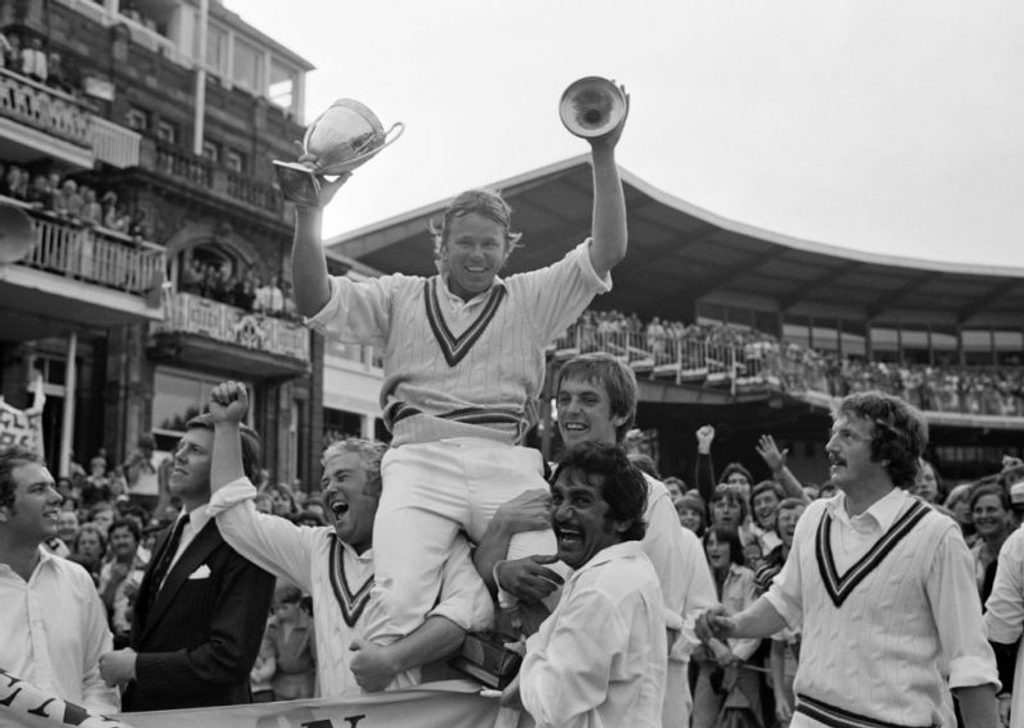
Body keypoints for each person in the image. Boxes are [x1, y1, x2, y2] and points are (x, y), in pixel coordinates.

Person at [289, 91, 630, 650]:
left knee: (551, 589)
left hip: (505, 462)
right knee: (396, 606)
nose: (477, 255)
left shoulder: (528, 297)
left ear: (507, 248)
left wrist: (602, 150)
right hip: (418, 464)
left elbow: (608, 250)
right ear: (440, 247)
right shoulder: (400, 295)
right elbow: (314, 299)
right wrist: (309, 213)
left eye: (490, 244)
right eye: (464, 243)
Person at [697, 391, 999, 728]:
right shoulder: (813, 517)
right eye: (833, 434)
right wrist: (736, 625)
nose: (830, 447)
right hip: (809, 717)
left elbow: (970, 660)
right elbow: (785, 600)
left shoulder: (937, 535)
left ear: (886, 452)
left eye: (848, 435)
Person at [203, 380, 493, 694]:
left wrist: (392, 660)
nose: (328, 489)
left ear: (382, 487)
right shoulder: (317, 548)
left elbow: (472, 610)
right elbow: (236, 522)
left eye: (342, 477)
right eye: (325, 481)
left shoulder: (434, 540)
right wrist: (227, 427)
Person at [485, 352, 716, 728]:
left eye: (588, 400)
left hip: (602, 707)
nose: (572, 411)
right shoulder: (538, 486)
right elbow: (484, 578)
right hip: (537, 699)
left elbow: (664, 631)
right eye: (564, 400)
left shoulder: (649, 498)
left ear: (620, 414)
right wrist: (502, 566)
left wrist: (547, 662)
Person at [98, 414, 275, 711]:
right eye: (180, 446)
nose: (178, 456)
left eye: (196, 450)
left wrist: (137, 667)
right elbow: (158, 634)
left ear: (229, 466)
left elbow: (230, 658)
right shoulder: (167, 534)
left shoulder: (248, 540)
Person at [501, 442, 666, 727]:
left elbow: (550, 703)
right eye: (557, 498)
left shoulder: (601, 590)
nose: (562, 513)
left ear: (623, 519)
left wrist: (536, 647)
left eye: (581, 501)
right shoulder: (625, 570)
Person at [0, 445, 121, 718]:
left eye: (53, 487)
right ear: (2, 509)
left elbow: (98, 676)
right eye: (38, 489)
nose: (57, 498)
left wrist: (89, 723)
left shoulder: (78, 581)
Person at [261, 582, 317, 700]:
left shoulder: (311, 627)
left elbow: (318, 662)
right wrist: (260, 674)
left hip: (305, 686)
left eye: (285, 608)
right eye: (276, 609)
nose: (280, 612)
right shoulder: (271, 626)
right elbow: (269, 661)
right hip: (279, 685)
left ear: (297, 604)